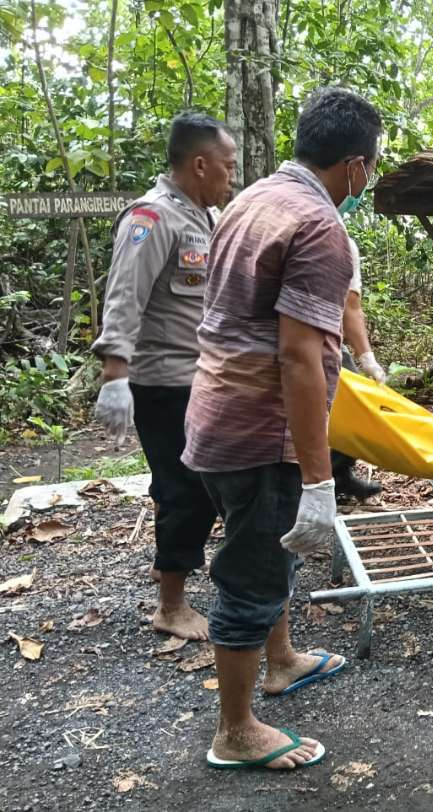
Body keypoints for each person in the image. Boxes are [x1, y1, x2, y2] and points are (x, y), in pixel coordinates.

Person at [182, 87, 382, 770]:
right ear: (354, 165)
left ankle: (284, 659)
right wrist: (321, 476)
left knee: (275, 549)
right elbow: (299, 355)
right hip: (261, 430)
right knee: (255, 572)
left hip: (215, 412)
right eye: (372, 168)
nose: (369, 179)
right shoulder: (320, 227)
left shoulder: (252, 199)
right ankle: (235, 731)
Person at [92, 112, 236, 641]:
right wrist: (115, 374)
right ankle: (170, 605)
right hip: (163, 382)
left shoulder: (205, 219)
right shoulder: (151, 219)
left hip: (202, 379)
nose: (230, 176)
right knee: (183, 489)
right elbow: (125, 296)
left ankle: (177, 576)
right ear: (199, 164)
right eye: (226, 166)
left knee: (204, 484)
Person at [329, 235, 385, 501]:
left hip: (330, 342)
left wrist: (367, 359)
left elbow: (351, 307)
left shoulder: (344, 243)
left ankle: (339, 475)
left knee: (352, 404)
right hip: (288, 341)